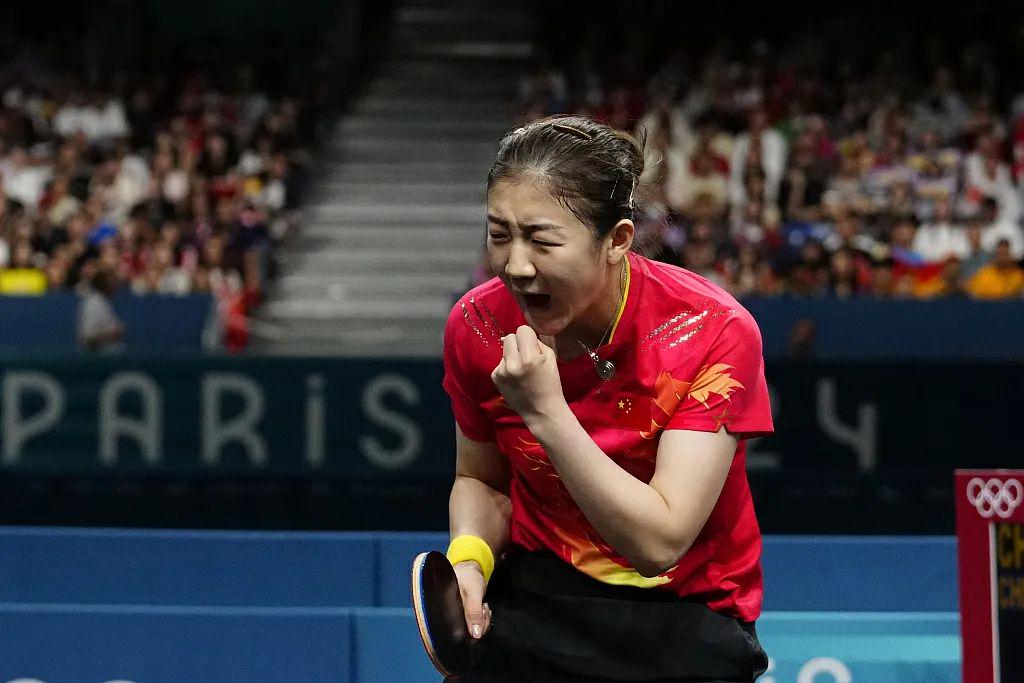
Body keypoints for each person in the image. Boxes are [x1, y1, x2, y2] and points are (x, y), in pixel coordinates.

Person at [442, 116, 773, 682]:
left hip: (685, 619)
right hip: (537, 602)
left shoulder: (710, 331)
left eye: (542, 240)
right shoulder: (477, 325)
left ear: (617, 240)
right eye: (499, 235)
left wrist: (546, 412)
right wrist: (468, 562)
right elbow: (481, 479)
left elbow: (659, 542)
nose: (516, 266)